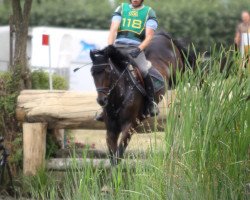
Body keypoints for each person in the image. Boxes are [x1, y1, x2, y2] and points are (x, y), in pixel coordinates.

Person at [96, 0, 159, 121]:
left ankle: (151, 103)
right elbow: (113, 29)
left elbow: (149, 36)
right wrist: (110, 46)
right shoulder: (121, 8)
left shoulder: (149, 12)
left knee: (143, 70)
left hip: (135, 48)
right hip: (118, 46)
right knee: (105, 70)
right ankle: (104, 107)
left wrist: (139, 49)